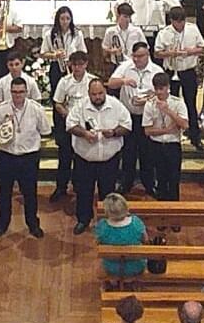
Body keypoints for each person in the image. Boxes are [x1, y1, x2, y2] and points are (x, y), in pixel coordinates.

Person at [0, 77, 51, 239]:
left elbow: (45, 131)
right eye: (14, 92)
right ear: (10, 92)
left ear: (26, 92)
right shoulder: (2, 109)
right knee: (4, 192)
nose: (17, 95)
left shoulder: (36, 109)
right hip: (5, 156)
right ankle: (2, 224)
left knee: (30, 193)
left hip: (28, 157)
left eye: (21, 92)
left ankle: (33, 224)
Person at [67, 79, 131, 234]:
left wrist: (114, 132)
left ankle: (107, 222)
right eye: (94, 94)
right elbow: (70, 125)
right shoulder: (80, 106)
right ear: (88, 94)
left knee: (108, 193)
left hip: (109, 160)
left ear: (105, 91)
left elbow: (127, 125)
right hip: (85, 159)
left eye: (100, 93)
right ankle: (83, 220)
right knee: (83, 191)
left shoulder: (115, 105)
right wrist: (84, 133)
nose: (97, 97)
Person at [108, 42, 163, 196]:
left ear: (148, 54)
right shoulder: (126, 67)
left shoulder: (156, 70)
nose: (137, 59)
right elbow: (111, 83)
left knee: (147, 152)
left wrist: (149, 98)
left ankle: (149, 183)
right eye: (135, 56)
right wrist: (123, 81)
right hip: (128, 116)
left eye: (140, 56)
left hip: (148, 117)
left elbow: (163, 92)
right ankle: (126, 182)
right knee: (128, 151)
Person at [155, 7, 204, 149]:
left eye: (183, 22)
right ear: (171, 21)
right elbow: (157, 53)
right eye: (177, 22)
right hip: (171, 72)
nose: (180, 25)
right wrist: (170, 53)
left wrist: (191, 51)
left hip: (188, 71)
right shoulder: (164, 33)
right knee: (171, 105)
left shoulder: (193, 29)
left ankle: (195, 137)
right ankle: (172, 136)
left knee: (191, 104)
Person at [51, 50, 97, 202]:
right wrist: (68, 116)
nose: (77, 68)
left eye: (80, 65)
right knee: (65, 157)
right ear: (70, 65)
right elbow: (58, 102)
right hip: (69, 124)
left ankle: (79, 187)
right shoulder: (64, 81)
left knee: (81, 158)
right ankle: (61, 188)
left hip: (86, 125)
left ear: (86, 64)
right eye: (75, 65)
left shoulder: (93, 81)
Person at [142, 72, 189, 202]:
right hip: (156, 146)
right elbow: (147, 131)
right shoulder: (149, 104)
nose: (158, 92)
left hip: (172, 146)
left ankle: (174, 215)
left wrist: (168, 111)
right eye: (156, 89)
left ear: (168, 87)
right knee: (160, 181)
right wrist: (167, 129)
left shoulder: (177, 103)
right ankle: (162, 215)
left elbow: (184, 124)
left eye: (161, 89)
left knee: (174, 181)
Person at [96, 193, 148, 280]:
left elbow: (98, 243)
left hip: (112, 267)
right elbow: (145, 240)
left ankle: (114, 281)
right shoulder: (136, 222)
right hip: (136, 265)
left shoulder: (103, 226)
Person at [40, 5, 88, 95]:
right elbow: (43, 53)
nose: (65, 21)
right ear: (58, 19)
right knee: (56, 93)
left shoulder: (77, 34)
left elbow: (83, 52)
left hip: (73, 66)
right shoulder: (50, 34)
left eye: (68, 18)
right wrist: (55, 55)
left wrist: (72, 60)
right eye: (62, 19)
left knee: (73, 92)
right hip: (56, 66)